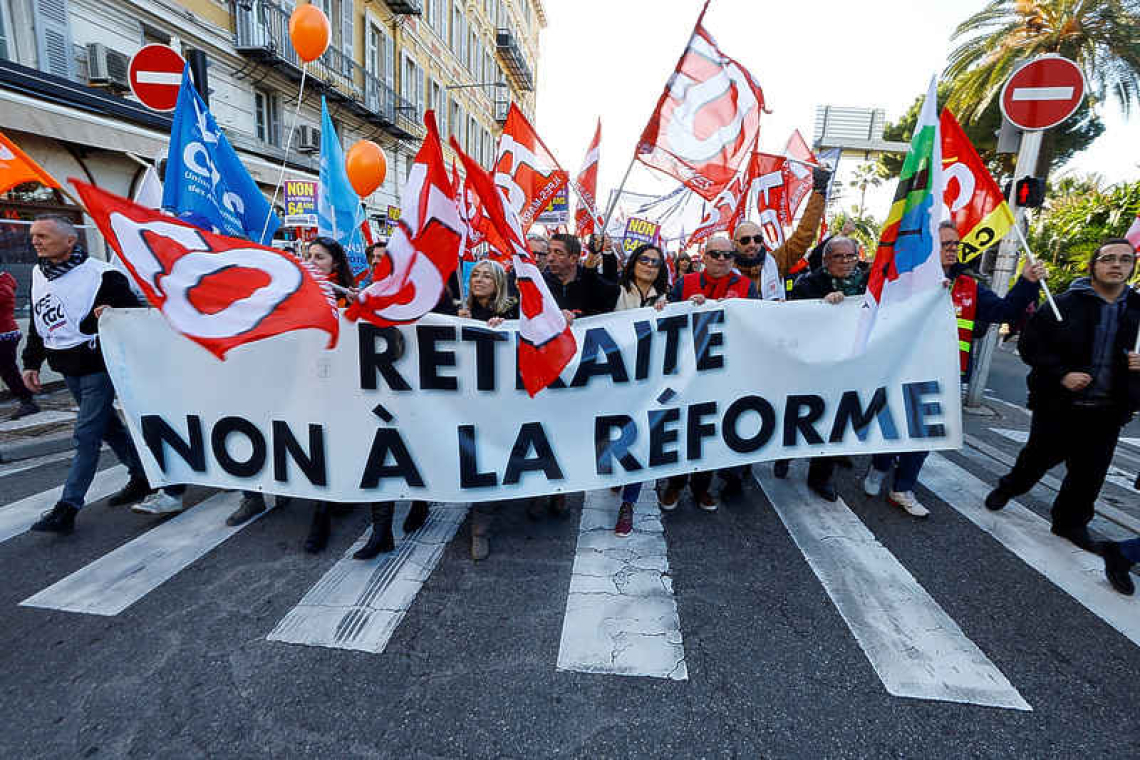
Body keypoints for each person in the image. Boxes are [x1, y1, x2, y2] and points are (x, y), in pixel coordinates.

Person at [864, 220, 1045, 518]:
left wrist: (1025, 282)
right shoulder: (904, 283)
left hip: (947, 375)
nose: (952, 249)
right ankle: (880, 464)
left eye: (955, 244)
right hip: (902, 370)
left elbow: (1004, 312)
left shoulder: (970, 286)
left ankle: (902, 488)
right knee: (896, 426)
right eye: (944, 244)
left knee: (926, 433)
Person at [984, 238, 1140, 552]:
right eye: (1108, 258)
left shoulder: (1138, 310)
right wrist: (1062, 374)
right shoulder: (1064, 304)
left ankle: (1070, 522)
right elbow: (1030, 346)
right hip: (1059, 406)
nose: (1116, 265)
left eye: (1125, 259)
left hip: (1108, 410)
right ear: (1093, 265)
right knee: (1036, 459)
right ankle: (1010, 487)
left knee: (1089, 474)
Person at [20, 215, 152, 534]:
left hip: (98, 367)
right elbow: (41, 320)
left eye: (43, 235)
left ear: (70, 241)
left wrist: (110, 315)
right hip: (66, 366)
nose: (35, 241)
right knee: (109, 427)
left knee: (86, 434)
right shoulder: (40, 273)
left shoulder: (103, 276)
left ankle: (68, 507)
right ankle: (142, 476)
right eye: (33, 235)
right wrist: (32, 362)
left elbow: (134, 316)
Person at [660, 235, 758, 511]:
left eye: (728, 256)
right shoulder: (685, 283)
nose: (722, 260)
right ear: (703, 257)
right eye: (715, 254)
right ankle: (675, 484)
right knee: (682, 428)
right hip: (686, 371)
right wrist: (683, 308)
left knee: (710, 429)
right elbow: (667, 320)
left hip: (723, 373)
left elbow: (756, 325)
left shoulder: (747, 287)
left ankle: (702, 486)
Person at [786, 236, 868, 502]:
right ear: (826, 260)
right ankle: (783, 456)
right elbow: (794, 321)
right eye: (838, 257)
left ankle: (821, 476)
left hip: (849, 364)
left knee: (836, 419)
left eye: (850, 257)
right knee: (798, 414)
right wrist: (824, 304)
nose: (845, 262)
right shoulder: (807, 284)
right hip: (812, 364)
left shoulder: (870, 284)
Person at [456, 260, 518, 559]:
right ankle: (480, 526)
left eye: (486, 276)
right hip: (469, 400)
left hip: (506, 400)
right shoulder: (460, 311)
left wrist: (507, 327)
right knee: (477, 457)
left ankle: (482, 525)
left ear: (499, 283)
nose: (478, 280)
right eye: (475, 275)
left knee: (497, 454)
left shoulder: (512, 311)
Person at [608, 244, 668, 536]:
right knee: (616, 433)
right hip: (613, 378)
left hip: (649, 381)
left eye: (655, 262)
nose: (648, 265)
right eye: (643, 259)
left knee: (640, 437)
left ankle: (628, 503)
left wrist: (690, 304)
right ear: (633, 263)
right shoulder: (614, 292)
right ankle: (618, 470)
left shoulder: (669, 298)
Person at [733, 166, 831, 301]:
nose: (752, 244)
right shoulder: (724, 267)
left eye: (757, 239)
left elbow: (804, 235)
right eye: (745, 240)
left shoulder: (776, 261)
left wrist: (819, 190)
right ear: (735, 244)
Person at [1, 267, 39, 419]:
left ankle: (28, 401)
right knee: (8, 371)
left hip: (5, 335)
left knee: (8, 371)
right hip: (5, 333)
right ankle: (27, 400)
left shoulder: (3, 282)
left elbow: (4, 297)